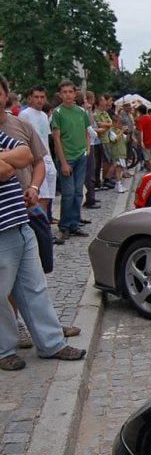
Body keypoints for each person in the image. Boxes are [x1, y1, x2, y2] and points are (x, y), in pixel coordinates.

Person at [0, 126, 86, 370]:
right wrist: (7, 157)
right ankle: (4, 350)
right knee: (0, 295)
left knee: (34, 287)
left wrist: (8, 158)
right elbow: (6, 170)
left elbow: (26, 155)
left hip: (19, 221)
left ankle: (51, 344)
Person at [51, 81, 90, 240]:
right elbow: (56, 139)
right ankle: (64, 226)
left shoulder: (81, 112)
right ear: (60, 94)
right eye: (64, 92)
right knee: (68, 194)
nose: (67, 95)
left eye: (70, 92)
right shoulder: (58, 112)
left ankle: (74, 224)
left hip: (81, 156)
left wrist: (87, 149)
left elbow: (86, 132)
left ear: (75, 94)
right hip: (66, 158)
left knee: (78, 192)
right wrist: (64, 162)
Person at [18, 86, 59, 220]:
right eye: (36, 97)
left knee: (47, 197)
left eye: (42, 97)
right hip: (36, 159)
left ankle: (46, 226)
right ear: (30, 98)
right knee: (40, 196)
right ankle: (42, 230)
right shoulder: (25, 115)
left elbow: (45, 139)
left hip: (46, 158)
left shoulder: (43, 115)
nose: (39, 100)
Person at [135, 105, 151, 171]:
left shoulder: (140, 120)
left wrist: (141, 141)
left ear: (140, 112)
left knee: (147, 159)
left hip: (146, 142)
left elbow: (141, 131)